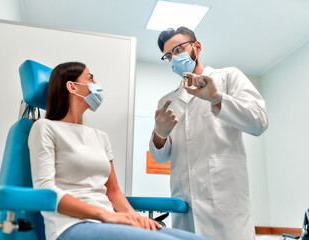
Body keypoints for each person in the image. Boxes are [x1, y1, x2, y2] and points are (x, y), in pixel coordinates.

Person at [28, 62, 210, 240]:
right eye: (90, 79)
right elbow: (45, 189)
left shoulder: (100, 137)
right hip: (71, 226)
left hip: (109, 222)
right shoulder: (44, 128)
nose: (96, 85)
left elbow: (113, 192)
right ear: (72, 87)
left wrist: (135, 217)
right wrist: (106, 215)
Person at [149, 26, 269, 240]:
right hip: (184, 208)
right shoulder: (168, 101)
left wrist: (217, 99)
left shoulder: (228, 77)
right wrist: (160, 135)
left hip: (226, 207)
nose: (174, 58)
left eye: (178, 49)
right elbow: (161, 156)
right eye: (168, 55)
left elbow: (259, 121)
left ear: (197, 47)